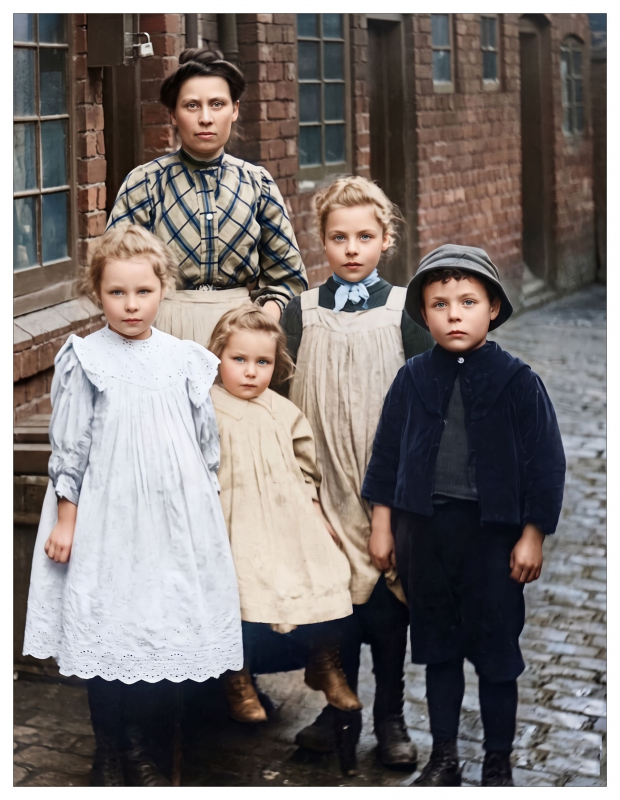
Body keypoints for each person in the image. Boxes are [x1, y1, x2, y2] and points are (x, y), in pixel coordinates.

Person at [22, 225, 243, 787]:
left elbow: (204, 443)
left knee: (160, 627)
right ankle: (110, 749)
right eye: (116, 293)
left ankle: (147, 749)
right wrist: (68, 518)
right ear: (97, 293)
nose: (130, 304)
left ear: (162, 289)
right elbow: (70, 443)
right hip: (106, 514)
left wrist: (204, 513)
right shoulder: (86, 357)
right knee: (109, 627)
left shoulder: (184, 360)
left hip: (170, 518)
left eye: (142, 292)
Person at [362, 245, 566, 786]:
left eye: (468, 301)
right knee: (439, 651)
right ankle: (445, 757)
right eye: (439, 303)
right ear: (423, 314)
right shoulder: (411, 379)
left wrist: (532, 535)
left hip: (492, 539)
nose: (454, 313)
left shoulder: (518, 381)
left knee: (497, 656)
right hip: (423, 536)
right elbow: (385, 457)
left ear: (492, 308)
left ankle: (497, 761)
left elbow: (546, 463)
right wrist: (383, 526)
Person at [281, 176, 434, 770]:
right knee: (333, 601)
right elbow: (280, 389)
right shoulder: (302, 312)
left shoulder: (404, 312)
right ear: (321, 240)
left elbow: (428, 398)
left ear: (385, 240)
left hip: (383, 482)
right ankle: (336, 706)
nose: (351, 248)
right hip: (323, 482)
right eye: (338, 237)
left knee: (386, 602)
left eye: (364, 237)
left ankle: (390, 712)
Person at [206, 306, 361, 731]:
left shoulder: (282, 410)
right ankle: (236, 676)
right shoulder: (208, 408)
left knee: (329, 568)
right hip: (236, 519)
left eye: (263, 362)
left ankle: (323, 661)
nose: (252, 372)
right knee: (242, 587)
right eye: (239, 360)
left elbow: (306, 465)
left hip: (287, 516)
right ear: (217, 357)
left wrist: (315, 513)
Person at [107, 48, 307, 346]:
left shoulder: (257, 184)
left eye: (217, 104)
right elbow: (114, 271)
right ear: (173, 114)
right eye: (191, 105)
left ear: (235, 109)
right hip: (161, 332)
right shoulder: (145, 184)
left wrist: (261, 326)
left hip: (240, 337)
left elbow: (287, 277)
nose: (205, 118)